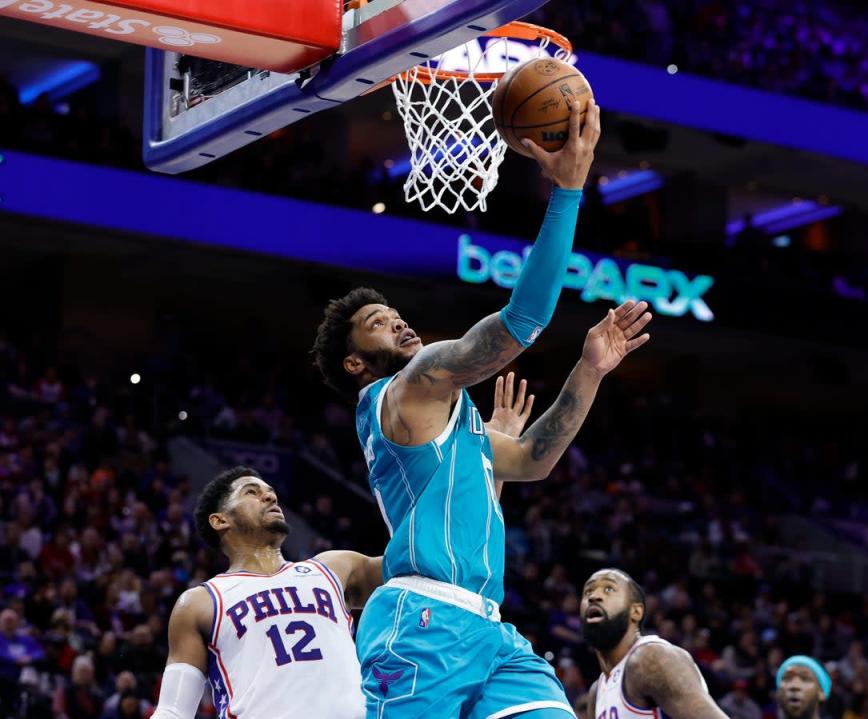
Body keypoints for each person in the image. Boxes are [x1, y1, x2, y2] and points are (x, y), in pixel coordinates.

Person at [312, 99, 653, 719]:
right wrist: (568, 191)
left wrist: (590, 370)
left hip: (491, 631)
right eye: (377, 325)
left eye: (394, 313)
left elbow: (532, 458)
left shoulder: (447, 415)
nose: (397, 321)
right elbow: (521, 321)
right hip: (422, 622)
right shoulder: (405, 390)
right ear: (357, 364)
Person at [151, 466, 383, 719]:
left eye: (271, 492)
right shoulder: (201, 602)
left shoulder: (333, 568)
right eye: (251, 492)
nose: (271, 497)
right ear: (220, 520)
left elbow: (416, 562)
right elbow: (173, 711)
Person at [580, 569, 728, 719]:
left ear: (636, 611)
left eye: (608, 589)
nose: (594, 596)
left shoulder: (651, 658)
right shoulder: (597, 692)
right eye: (588, 592)